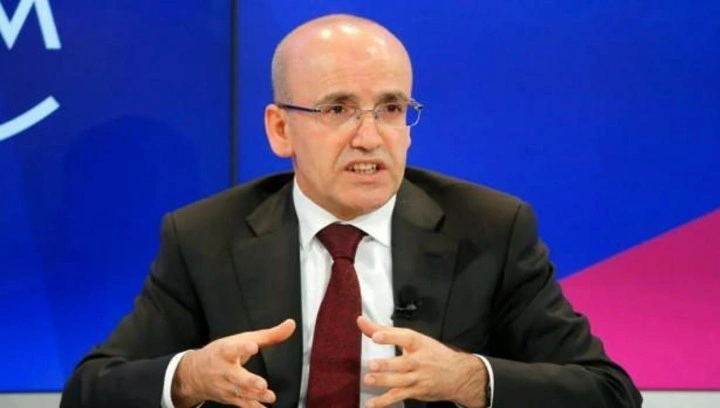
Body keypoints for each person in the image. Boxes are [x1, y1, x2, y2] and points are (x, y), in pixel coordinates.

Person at [60, 14, 642, 408]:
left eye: (390, 108)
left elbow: (610, 392)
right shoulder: (204, 236)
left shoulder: (491, 229)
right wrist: (187, 378)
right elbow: (89, 389)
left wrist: (471, 379)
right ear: (281, 129)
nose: (370, 137)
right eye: (338, 109)